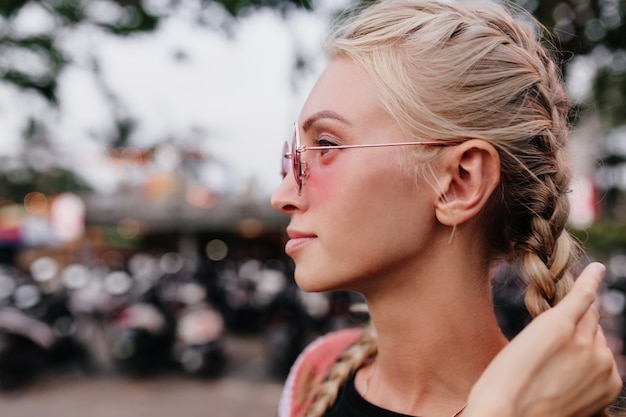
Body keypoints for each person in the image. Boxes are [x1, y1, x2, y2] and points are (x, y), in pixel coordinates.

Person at [270, 1, 623, 416]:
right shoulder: (316, 373)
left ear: (460, 183)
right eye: (296, 153)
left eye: (326, 146)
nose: (282, 195)